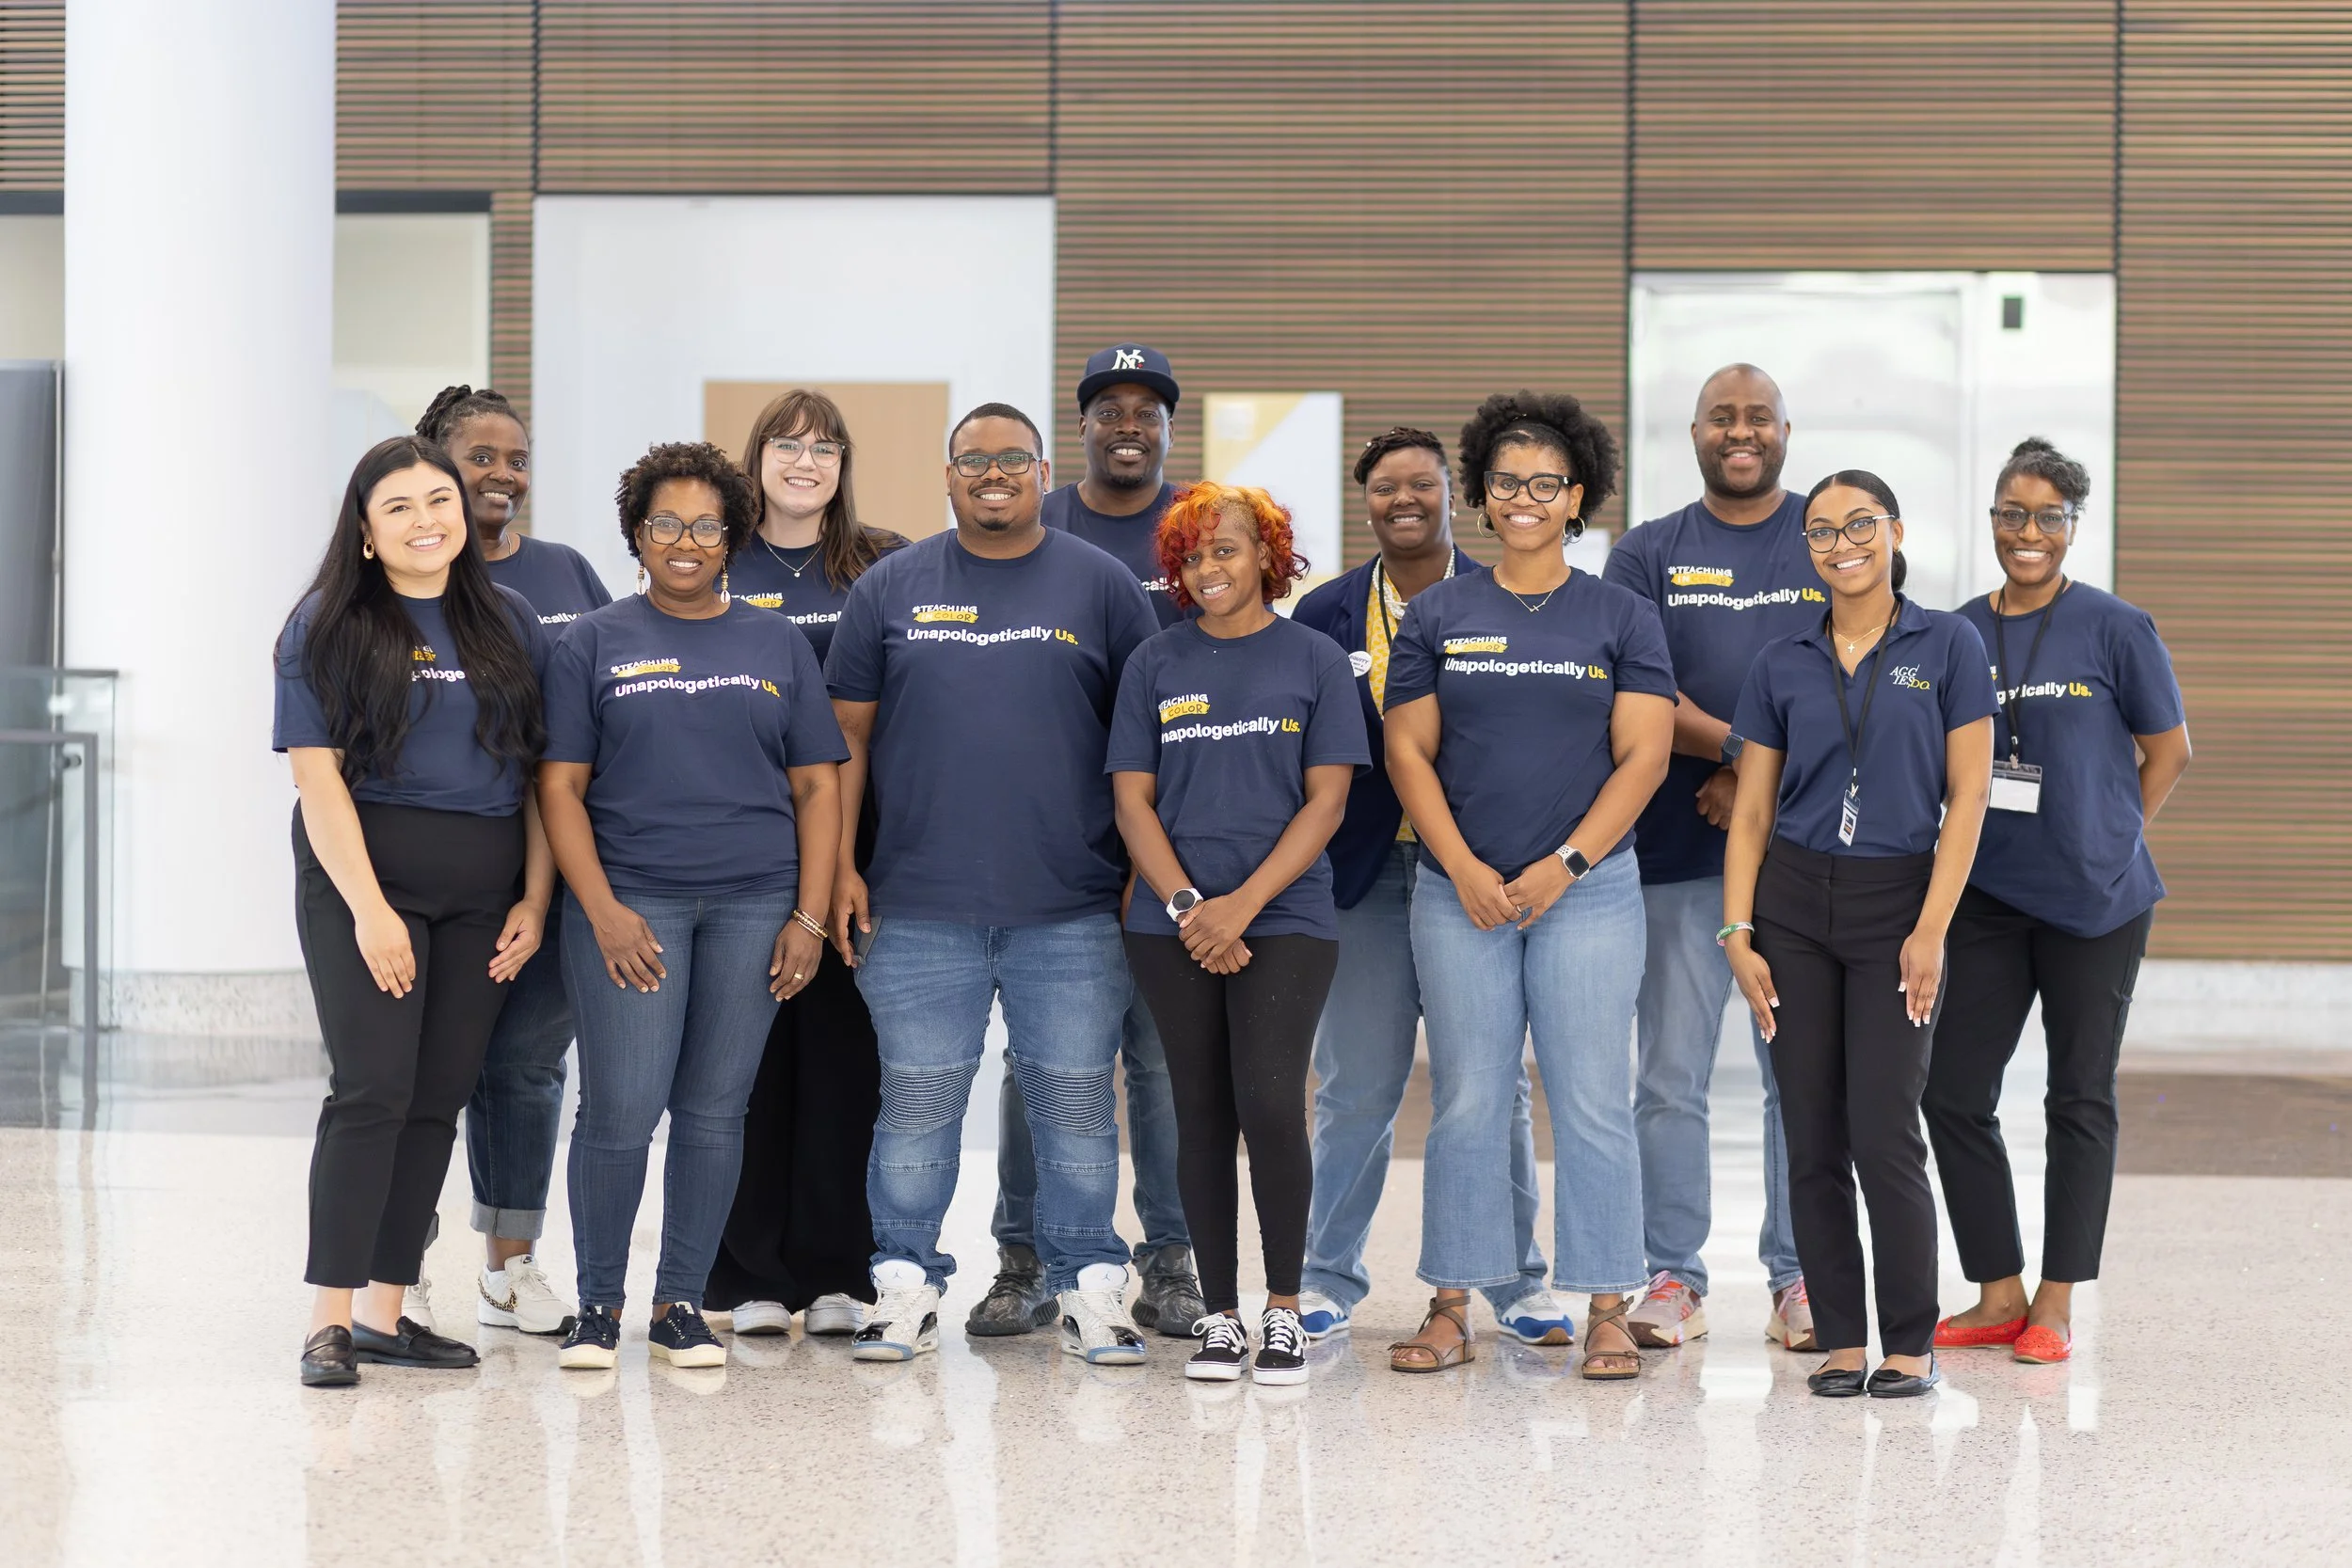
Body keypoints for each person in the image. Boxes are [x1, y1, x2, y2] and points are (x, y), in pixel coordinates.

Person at [826, 402, 1158, 1365]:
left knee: (1076, 1108)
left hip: (1071, 908)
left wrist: (1140, 876)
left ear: (1043, 471)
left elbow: (1143, 744)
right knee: (919, 1107)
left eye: (1014, 458)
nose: (994, 472)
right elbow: (844, 741)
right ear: (948, 475)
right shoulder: (890, 588)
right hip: (919, 905)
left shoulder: (1099, 586)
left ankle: (1089, 1284)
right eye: (975, 459)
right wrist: (841, 864)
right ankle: (903, 1285)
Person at [1382, 392, 1676, 1379]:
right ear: (1481, 493)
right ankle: (1452, 1302)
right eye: (1506, 481)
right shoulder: (1437, 612)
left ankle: (1604, 1303)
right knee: (1467, 1095)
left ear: (1575, 496)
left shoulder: (1621, 615)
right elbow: (1408, 750)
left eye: (1544, 482)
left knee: (1592, 1098)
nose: (1524, 497)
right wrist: (1461, 865)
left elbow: (1642, 756)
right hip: (1457, 891)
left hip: (1587, 893)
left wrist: (1566, 864)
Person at [537, 442, 846, 1371]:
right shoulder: (593, 639)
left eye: (705, 525)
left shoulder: (773, 640)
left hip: (755, 905)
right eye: (665, 522)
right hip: (631, 902)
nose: (685, 540)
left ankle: (679, 1302)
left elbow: (818, 790)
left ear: (731, 540)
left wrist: (809, 917)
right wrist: (601, 909)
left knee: (715, 1111)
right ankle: (597, 1304)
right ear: (636, 534)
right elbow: (559, 787)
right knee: (621, 1108)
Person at [278, 436, 553, 1387]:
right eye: (399, 505)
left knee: (437, 1096)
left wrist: (535, 893)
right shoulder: (324, 622)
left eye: (439, 498)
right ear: (363, 531)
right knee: (371, 1089)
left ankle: (389, 1311)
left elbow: (536, 775)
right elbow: (316, 778)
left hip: (485, 886)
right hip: (367, 878)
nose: (427, 517)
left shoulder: (509, 619)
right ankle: (329, 1317)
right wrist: (369, 910)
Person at [1722, 469, 1995, 1399]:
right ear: (1807, 549)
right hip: (1793, 904)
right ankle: (1840, 1335)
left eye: (1859, 524)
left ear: (1894, 530)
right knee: (1810, 1131)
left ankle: (1907, 1341)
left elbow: (1968, 799)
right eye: (1822, 530)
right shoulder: (1780, 660)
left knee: (1883, 1127)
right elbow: (1751, 809)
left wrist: (1930, 929)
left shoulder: (1947, 643)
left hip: (1895, 905)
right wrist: (1736, 929)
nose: (1842, 543)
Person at [1291, 429, 1561, 1347]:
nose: (1402, 499)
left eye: (1421, 484)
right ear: (1363, 499)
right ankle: (1323, 1276)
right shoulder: (1323, 615)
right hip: (1362, 879)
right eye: (1384, 487)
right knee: (1354, 1083)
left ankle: (1515, 1281)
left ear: (1455, 494)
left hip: (1472, 874)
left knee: (1488, 1083)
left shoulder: (1510, 597)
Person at [1926, 438, 2191, 1365]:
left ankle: (2055, 1299)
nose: (2025, 532)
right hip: (1989, 896)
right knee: (1952, 1091)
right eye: (2010, 512)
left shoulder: (2117, 627)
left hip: (2097, 898)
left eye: (2046, 516)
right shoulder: (1956, 632)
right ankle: (1996, 1288)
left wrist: (2114, 831)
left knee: (2077, 1095)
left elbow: (2168, 750)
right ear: (1991, 519)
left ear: (2073, 526)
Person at [969, 342, 1204, 1341]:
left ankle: (1172, 1259)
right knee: (1041, 1065)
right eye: (1107, 407)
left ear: (1164, 428)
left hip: (1176, 848)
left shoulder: (1203, 525)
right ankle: (1022, 1257)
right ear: (1080, 429)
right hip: (1054, 848)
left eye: (1144, 409)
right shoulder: (1038, 520)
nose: (1126, 423)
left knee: (1160, 1066)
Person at [1109, 482, 1367, 1384]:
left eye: (1227, 548)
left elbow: (1327, 799)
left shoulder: (1316, 660)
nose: (1209, 567)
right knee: (1199, 1111)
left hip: (1285, 917)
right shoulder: (1155, 662)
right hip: (1169, 924)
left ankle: (1284, 1309)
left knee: (1268, 1101)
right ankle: (1219, 1314)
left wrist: (1241, 905)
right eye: (1192, 555)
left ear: (1268, 554)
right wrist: (1188, 908)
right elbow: (1132, 800)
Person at [1602, 364, 1819, 1351]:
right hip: (1678, 856)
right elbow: (1637, 694)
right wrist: (1739, 754)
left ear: (1785, 429)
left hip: (1808, 861)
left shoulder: (1832, 533)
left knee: (1800, 1079)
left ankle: (1801, 1274)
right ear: (1694, 433)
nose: (1741, 432)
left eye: (1758, 417)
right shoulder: (1648, 553)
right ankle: (1671, 1275)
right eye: (1722, 418)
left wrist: (1758, 783)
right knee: (1669, 1075)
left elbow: (1859, 677)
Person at [707, 389, 909, 1341]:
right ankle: (750, 1271)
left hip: (860, 847)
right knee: (747, 1060)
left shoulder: (882, 562)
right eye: (785, 444)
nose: (804, 461)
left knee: (843, 1061)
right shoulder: (717, 558)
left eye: (824, 447)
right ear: (754, 459)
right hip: (741, 839)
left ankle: (838, 1270)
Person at [415, 384, 608, 1339]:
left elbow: (614, 699)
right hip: (444, 862)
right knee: (418, 1068)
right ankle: (395, 1259)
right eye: (480, 454)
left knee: (527, 1064)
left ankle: (511, 1263)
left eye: (516, 457)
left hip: (554, 865)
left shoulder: (569, 574)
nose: (502, 473)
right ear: (431, 461)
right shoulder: (398, 585)